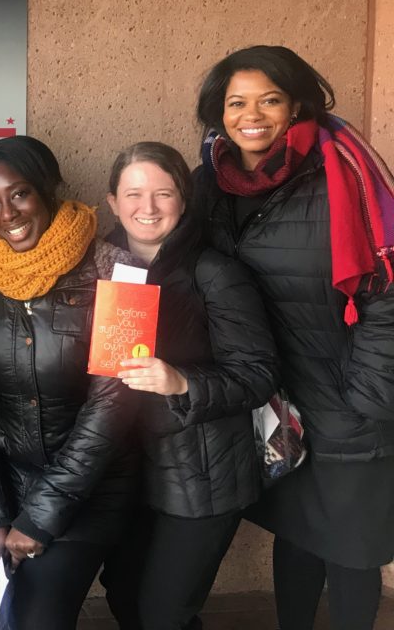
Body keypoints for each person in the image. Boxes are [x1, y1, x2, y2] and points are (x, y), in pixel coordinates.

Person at [195, 45, 394, 630]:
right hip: (275, 398)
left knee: (352, 547)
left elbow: (387, 289)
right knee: (299, 530)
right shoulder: (213, 179)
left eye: (269, 100)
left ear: (297, 105)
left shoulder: (339, 173)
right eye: (236, 102)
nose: (250, 115)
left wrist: (368, 394)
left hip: (346, 396)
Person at [0, 135, 138, 630]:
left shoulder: (120, 269)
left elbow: (113, 407)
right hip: (7, 486)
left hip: (91, 490)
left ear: (49, 190)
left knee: (35, 621)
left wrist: (40, 518)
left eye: (20, 194)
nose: (7, 214)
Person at [97, 141, 278, 630]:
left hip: (202, 478)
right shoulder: (104, 269)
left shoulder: (215, 273)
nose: (148, 208)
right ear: (113, 202)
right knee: (124, 594)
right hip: (129, 472)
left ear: (184, 199)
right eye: (133, 194)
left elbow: (259, 373)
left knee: (163, 613)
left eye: (164, 193)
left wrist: (181, 382)